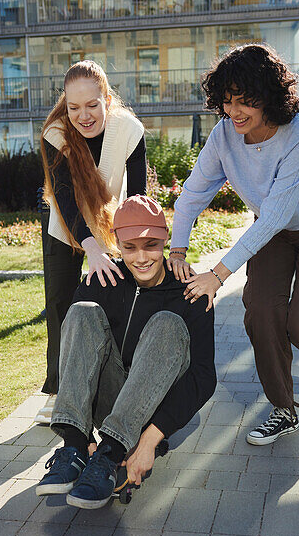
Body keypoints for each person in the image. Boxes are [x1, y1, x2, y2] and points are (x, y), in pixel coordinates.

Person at [168, 43, 299, 446]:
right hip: (273, 232)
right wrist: (177, 249)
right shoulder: (223, 138)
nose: (234, 111)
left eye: (245, 100)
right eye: (227, 101)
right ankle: (283, 409)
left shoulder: (298, 135)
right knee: (262, 313)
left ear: (269, 95)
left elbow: (276, 214)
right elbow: (194, 193)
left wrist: (218, 274)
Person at [36, 196, 216, 509]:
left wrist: (148, 442)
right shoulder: (101, 280)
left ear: (165, 242)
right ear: (117, 244)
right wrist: (87, 438)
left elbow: (203, 377)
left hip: (153, 414)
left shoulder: (190, 290)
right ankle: (76, 447)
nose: (141, 257)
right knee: (80, 312)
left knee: (167, 324)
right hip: (108, 406)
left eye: (151, 245)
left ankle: (112, 453)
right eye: (130, 247)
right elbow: (77, 357)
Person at [35, 60, 148, 424]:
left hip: (109, 224)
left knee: (117, 299)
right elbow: (66, 200)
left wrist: (134, 246)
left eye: (92, 105)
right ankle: (57, 391)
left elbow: (139, 196)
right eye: (74, 107)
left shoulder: (129, 130)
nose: (83, 116)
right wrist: (90, 248)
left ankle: (114, 384)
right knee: (60, 307)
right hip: (63, 225)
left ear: (107, 99)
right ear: (65, 106)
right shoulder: (56, 135)